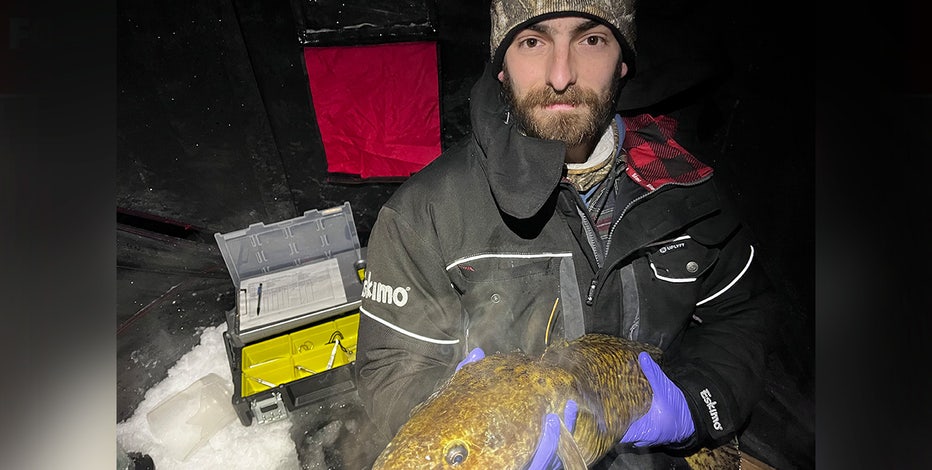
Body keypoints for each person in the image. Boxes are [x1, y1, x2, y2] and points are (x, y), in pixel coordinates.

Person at [354, 0, 778, 467]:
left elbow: (742, 317)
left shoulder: (688, 187)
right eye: (532, 42)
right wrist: (474, 431)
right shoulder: (423, 214)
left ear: (622, 62)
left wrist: (695, 405)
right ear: (501, 66)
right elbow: (390, 368)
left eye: (591, 40)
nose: (561, 76)